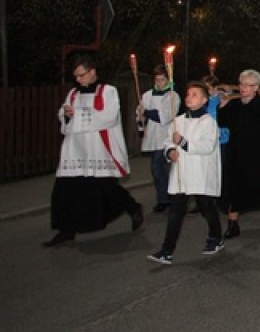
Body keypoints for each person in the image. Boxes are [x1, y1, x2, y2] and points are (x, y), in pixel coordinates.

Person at [44, 54, 144, 246]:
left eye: (81, 75)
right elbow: (62, 115)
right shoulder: (73, 93)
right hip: (75, 151)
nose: (78, 80)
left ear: (92, 72)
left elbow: (108, 117)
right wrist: (66, 115)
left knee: (106, 189)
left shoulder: (108, 91)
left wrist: (78, 114)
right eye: (76, 77)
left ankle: (132, 208)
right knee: (66, 190)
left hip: (99, 149)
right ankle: (67, 230)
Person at [146, 82, 224, 265]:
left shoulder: (209, 122)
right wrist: (170, 151)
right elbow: (168, 142)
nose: (189, 97)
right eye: (188, 94)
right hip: (181, 172)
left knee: (206, 207)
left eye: (195, 94)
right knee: (176, 212)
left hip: (200, 172)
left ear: (204, 100)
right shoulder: (178, 121)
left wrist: (182, 142)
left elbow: (207, 146)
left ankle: (216, 236)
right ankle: (167, 250)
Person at [218, 69, 260, 238]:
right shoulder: (233, 104)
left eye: (248, 85)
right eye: (241, 84)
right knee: (234, 190)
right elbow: (222, 123)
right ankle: (233, 224)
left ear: (256, 87)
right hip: (235, 153)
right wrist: (222, 108)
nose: (243, 87)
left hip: (257, 155)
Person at [137, 64, 180, 213]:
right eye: (157, 80)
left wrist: (147, 112)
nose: (159, 83)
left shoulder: (173, 95)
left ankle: (166, 199)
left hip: (166, 137)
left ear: (168, 80)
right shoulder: (147, 94)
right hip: (152, 136)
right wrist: (141, 119)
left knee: (157, 168)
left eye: (162, 80)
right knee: (160, 170)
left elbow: (164, 116)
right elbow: (141, 113)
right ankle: (168, 197)